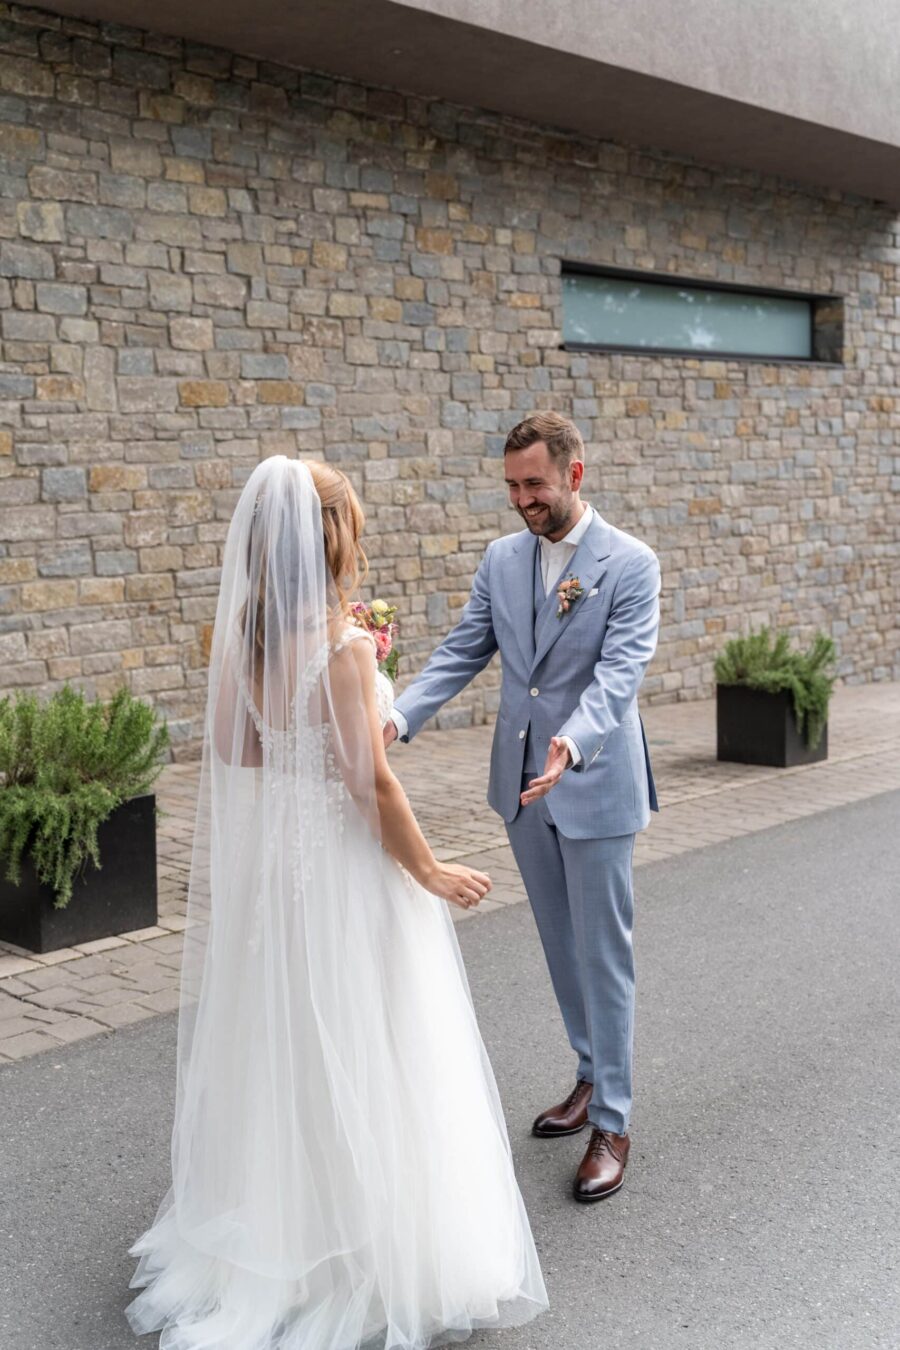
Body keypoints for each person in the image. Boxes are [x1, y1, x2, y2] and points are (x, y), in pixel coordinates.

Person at [125, 455, 547, 1349]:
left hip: (281, 870)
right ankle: (365, 1252)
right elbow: (372, 787)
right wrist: (432, 873)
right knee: (373, 1039)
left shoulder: (251, 635)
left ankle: (283, 1229)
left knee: (287, 1040)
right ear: (336, 536)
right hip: (350, 870)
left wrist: (305, 739)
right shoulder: (345, 646)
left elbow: (241, 754)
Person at [388, 412, 660, 1203]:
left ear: (575, 475)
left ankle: (612, 1118)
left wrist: (571, 745)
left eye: (533, 484)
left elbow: (620, 675)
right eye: (511, 485)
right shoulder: (503, 559)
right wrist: (397, 717)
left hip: (593, 778)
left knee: (603, 953)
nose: (521, 500)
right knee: (559, 943)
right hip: (519, 783)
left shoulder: (631, 564)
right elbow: (463, 650)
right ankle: (587, 1071)